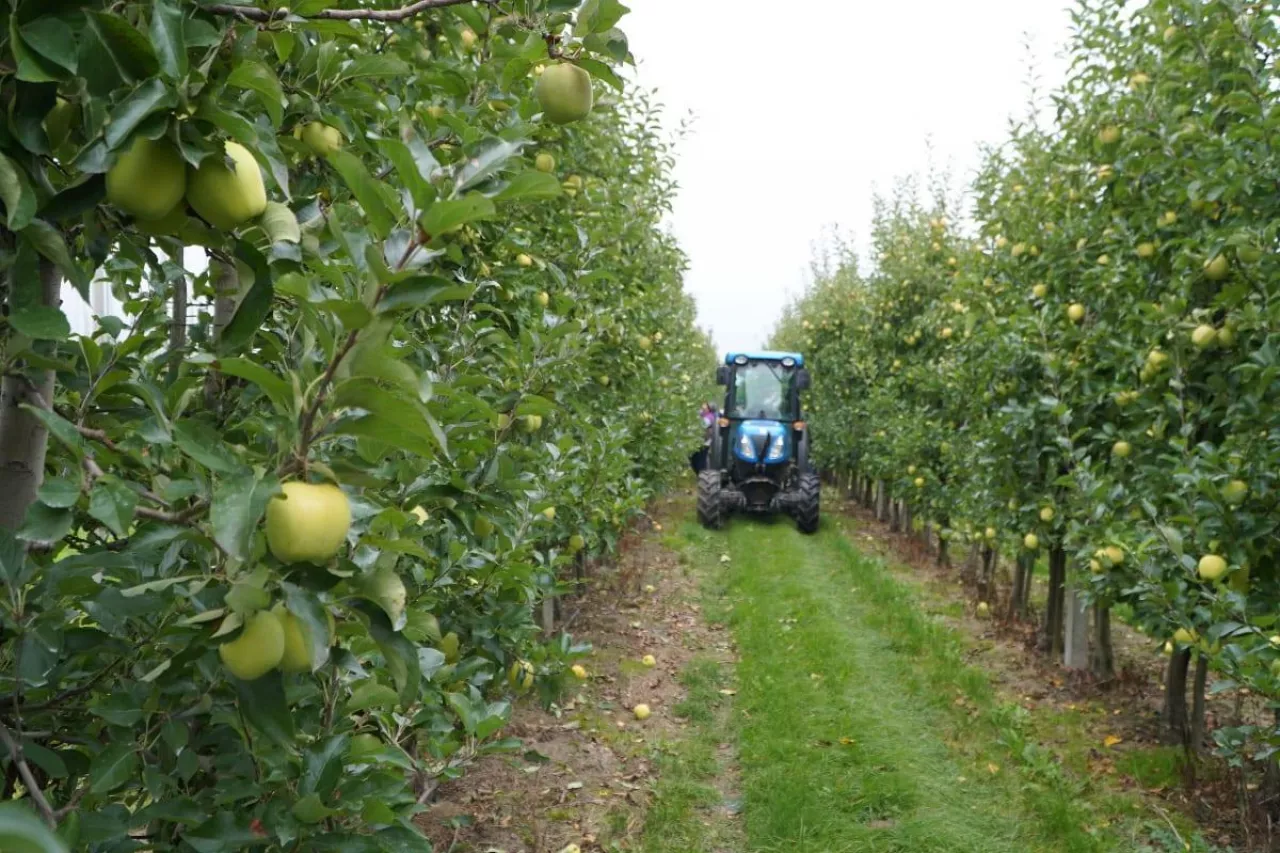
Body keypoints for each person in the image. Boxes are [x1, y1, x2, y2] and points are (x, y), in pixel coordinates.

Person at [690, 402, 716, 472]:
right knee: (694, 460)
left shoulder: (710, 417)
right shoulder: (704, 415)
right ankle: (699, 475)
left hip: (704, 443)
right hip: (699, 442)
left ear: (709, 409)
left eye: (705, 408)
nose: (703, 409)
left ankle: (702, 476)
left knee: (700, 461)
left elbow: (702, 425)